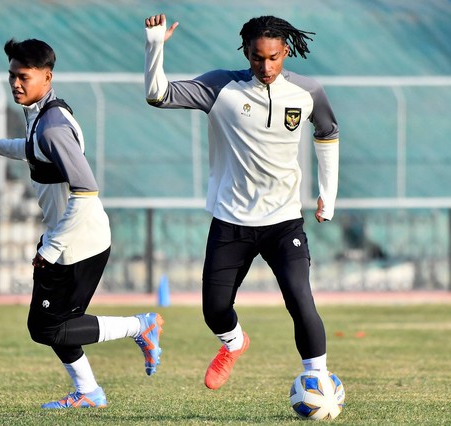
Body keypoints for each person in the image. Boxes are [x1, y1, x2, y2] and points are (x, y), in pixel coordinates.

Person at [0, 38, 163, 409]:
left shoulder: (52, 125)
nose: (15, 84)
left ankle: (140, 326)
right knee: (54, 324)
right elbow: (32, 150)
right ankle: (89, 392)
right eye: (12, 76)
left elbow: (86, 191)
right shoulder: (41, 114)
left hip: (78, 244)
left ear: (47, 76)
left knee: (47, 327)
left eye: (23, 76)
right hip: (66, 240)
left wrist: (51, 249)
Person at [143, 14, 339, 390]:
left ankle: (317, 381)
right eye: (256, 57)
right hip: (231, 221)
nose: (265, 66)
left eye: (274, 57)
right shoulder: (221, 87)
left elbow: (328, 131)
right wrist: (155, 47)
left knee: (300, 300)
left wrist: (327, 194)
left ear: (287, 52)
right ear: (245, 52)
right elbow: (158, 95)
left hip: (283, 222)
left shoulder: (307, 91)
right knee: (214, 310)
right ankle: (234, 343)